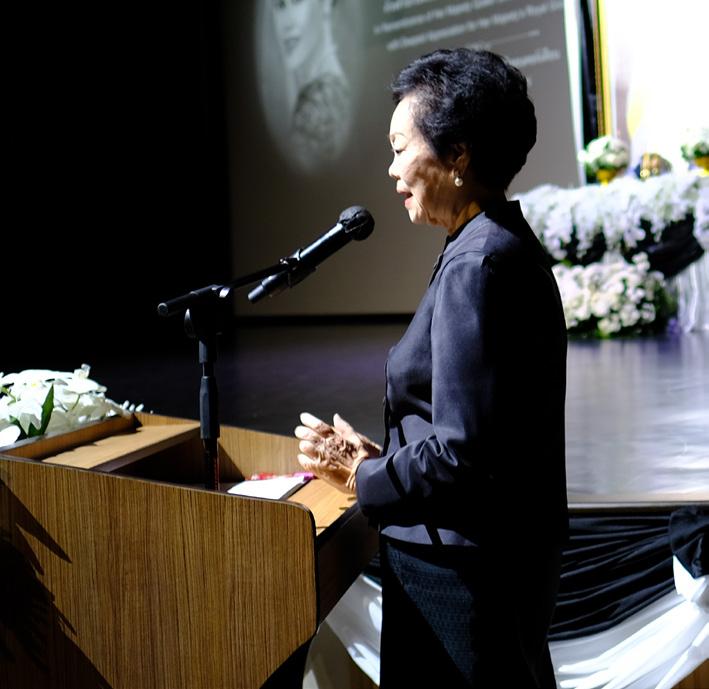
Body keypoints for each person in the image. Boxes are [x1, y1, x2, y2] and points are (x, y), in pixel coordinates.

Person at [295, 48, 568, 688]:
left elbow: (463, 455)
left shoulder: (479, 264)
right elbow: (476, 433)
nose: (391, 169)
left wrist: (362, 474)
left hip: (462, 572)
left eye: (400, 148)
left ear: (458, 154)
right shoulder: (489, 244)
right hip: (483, 557)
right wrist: (382, 457)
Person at [269, 0, 350, 172]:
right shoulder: (315, 90)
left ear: (325, 5)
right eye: (280, 5)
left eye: (297, 2)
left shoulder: (326, 101)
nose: (287, 23)